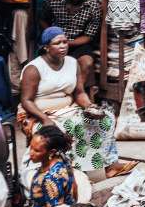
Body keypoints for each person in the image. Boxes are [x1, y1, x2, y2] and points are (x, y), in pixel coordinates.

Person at [18, 27, 120, 173]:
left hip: (68, 109)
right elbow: (26, 101)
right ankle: (68, 172)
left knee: (106, 118)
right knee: (68, 127)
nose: (63, 46)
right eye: (57, 43)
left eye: (65, 42)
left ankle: (110, 165)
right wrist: (45, 119)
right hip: (39, 114)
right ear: (46, 47)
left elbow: (79, 92)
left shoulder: (72, 63)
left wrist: (89, 106)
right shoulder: (34, 69)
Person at [39, 0, 100, 85]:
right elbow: (42, 19)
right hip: (55, 42)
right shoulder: (54, 1)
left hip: (78, 44)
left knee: (86, 62)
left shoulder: (93, 6)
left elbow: (88, 36)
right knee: (47, 64)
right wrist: (52, 36)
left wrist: (67, 43)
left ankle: (77, 92)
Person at [28, 124, 77, 207]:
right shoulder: (61, 159)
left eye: (36, 150)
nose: (31, 153)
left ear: (51, 152)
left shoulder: (50, 178)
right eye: (31, 147)